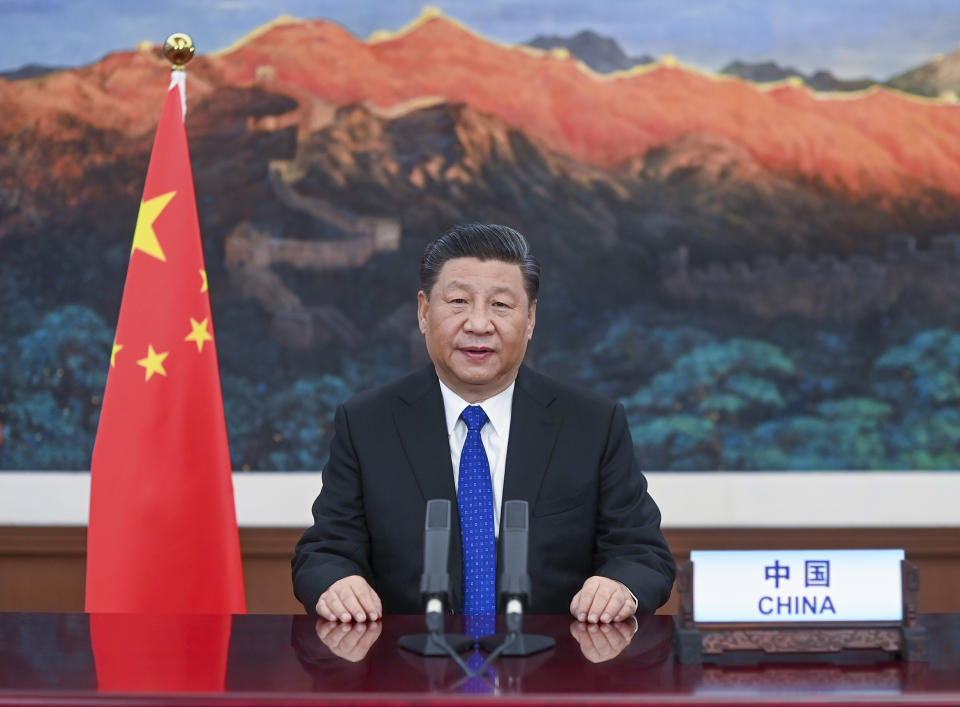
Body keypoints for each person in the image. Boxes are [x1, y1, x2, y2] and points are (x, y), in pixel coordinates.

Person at [292, 223, 675, 624]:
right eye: (458, 301)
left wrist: (618, 586)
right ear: (424, 312)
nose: (478, 324)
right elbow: (324, 553)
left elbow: (643, 555)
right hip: (409, 670)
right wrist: (337, 582)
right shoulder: (367, 424)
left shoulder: (592, 425)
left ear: (530, 320)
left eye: (501, 306)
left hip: (553, 669)